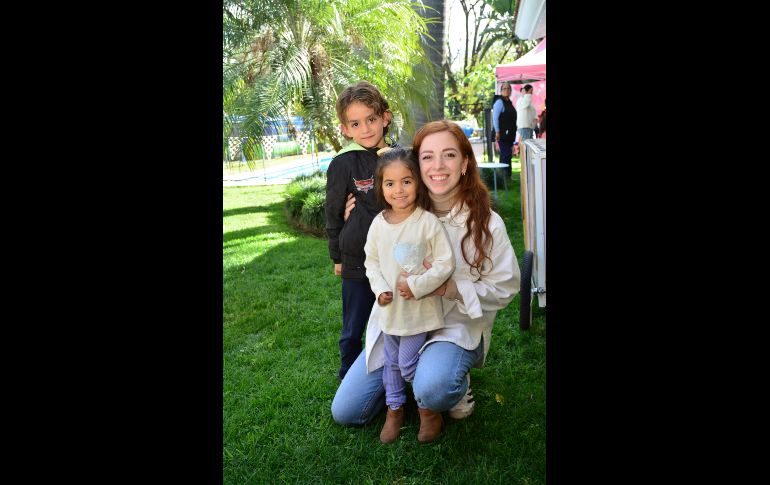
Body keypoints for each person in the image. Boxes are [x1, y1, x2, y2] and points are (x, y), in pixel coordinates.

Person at [332, 120, 520, 443]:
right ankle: (409, 385)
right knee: (347, 410)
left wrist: (451, 288)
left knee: (434, 387)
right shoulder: (397, 211)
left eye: (449, 155)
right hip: (400, 320)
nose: (438, 166)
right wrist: (348, 213)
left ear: (464, 163)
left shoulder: (486, 222)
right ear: (416, 166)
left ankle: (444, 380)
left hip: (452, 326)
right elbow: (371, 246)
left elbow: (506, 285)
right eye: (428, 157)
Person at [364, 146, 455, 443]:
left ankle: (428, 409)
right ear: (381, 187)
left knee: (406, 362)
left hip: (418, 312)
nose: (399, 190)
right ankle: (395, 409)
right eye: (390, 183)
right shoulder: (378, 224)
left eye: (406, 181)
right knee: (391, 362)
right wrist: (380, 289)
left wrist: (417, 285)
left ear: (418, 182)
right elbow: (371, 262)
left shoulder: (426, 222)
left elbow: (445, 263)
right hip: (391, 311)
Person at [325, 81, 394, 381]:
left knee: (395, 322)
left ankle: (395, 375)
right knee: (353, 327)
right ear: (345, 129)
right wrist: (337, 256)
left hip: (395, 257)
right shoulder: (342, 163)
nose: (365, 129)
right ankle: (348, 379)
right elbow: (333, 211)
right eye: (355, 123)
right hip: (357, 259)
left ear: (385, 118)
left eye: (371, 119)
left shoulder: (399, 156)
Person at [492, 83, 517, 179]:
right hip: (502, 134)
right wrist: (497, 132)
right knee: (506, 155)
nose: (506, 90)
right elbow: (495, 118)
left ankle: (504, 176)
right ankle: (505, 177)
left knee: (506, 155)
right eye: (504, 88)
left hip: (510, 134)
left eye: (508, 88)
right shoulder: (499, 102)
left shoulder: (509, 102)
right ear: (501, 91)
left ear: (511, 91)